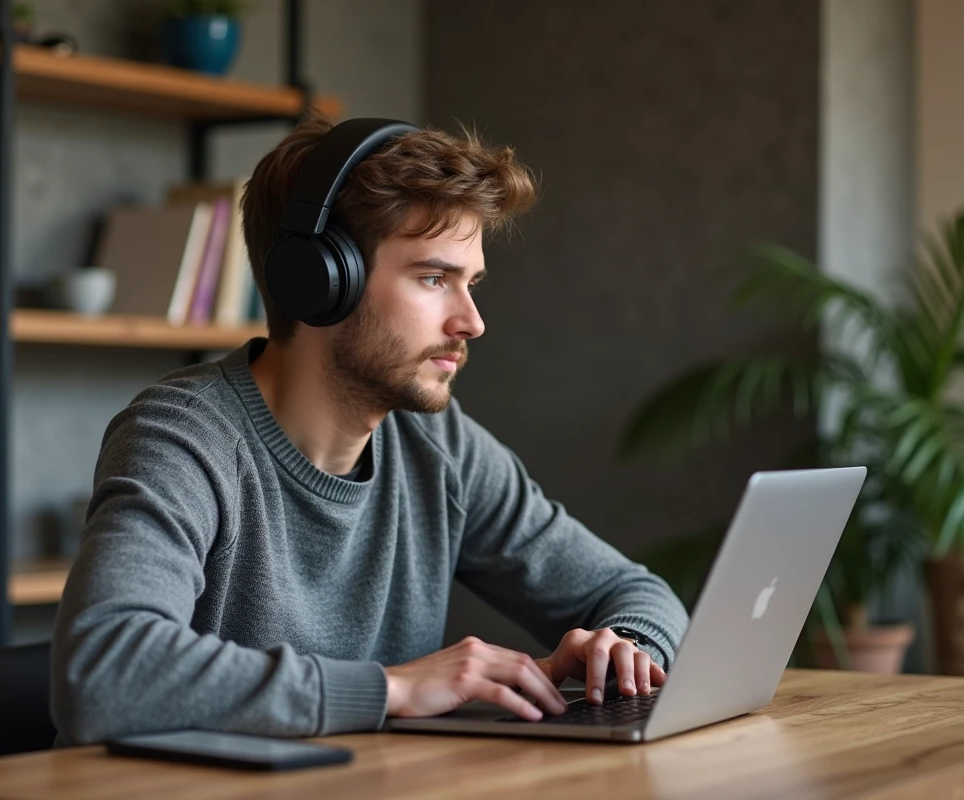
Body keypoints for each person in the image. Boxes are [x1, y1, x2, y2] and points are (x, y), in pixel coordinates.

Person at [50, 114, 689, 745]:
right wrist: (392, 690)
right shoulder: (184, 436)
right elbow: (104, 672)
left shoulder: (440, 447)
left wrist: (624, 651)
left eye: (471, 284)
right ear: (321, 281)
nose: (471, 322)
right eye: (433, 278)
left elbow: (633, 591)